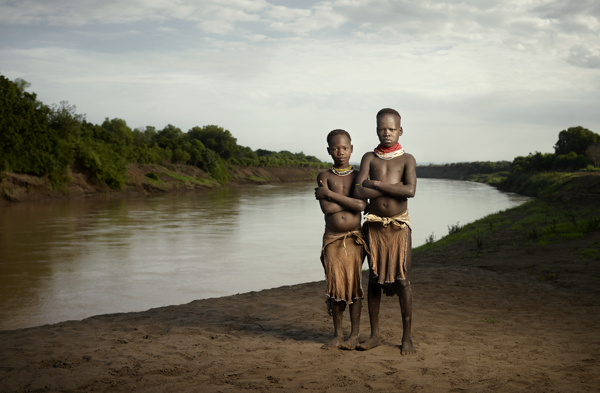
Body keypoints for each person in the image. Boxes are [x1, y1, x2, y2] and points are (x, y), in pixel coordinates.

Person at [354, 108, 417, 355]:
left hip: (399, 225)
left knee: (402, 279)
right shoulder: (369, 158)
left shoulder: (407, 159)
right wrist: (393, 188)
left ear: (400, 131)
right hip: (374, 225)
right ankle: (374, 335)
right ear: (377, 130)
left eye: (391, 129)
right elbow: (358, 192)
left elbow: (410, 191)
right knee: (373, 279)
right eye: (382, 129)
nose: (386, 133)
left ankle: (407, 338)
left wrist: (376, 184)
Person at [315, 129, 369, 350]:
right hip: (333, 238)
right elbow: (326, 209)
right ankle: (338, 335)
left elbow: (362, 206)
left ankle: (354, 335)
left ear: (351, 149)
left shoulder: (359, 176)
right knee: (335, 287)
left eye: (344, 148)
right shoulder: (324, 176)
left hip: (355, 237)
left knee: (354, 286)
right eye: (335, 148)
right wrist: (349, 201)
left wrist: (330, 194)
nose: (340, 152)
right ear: (329, 151)